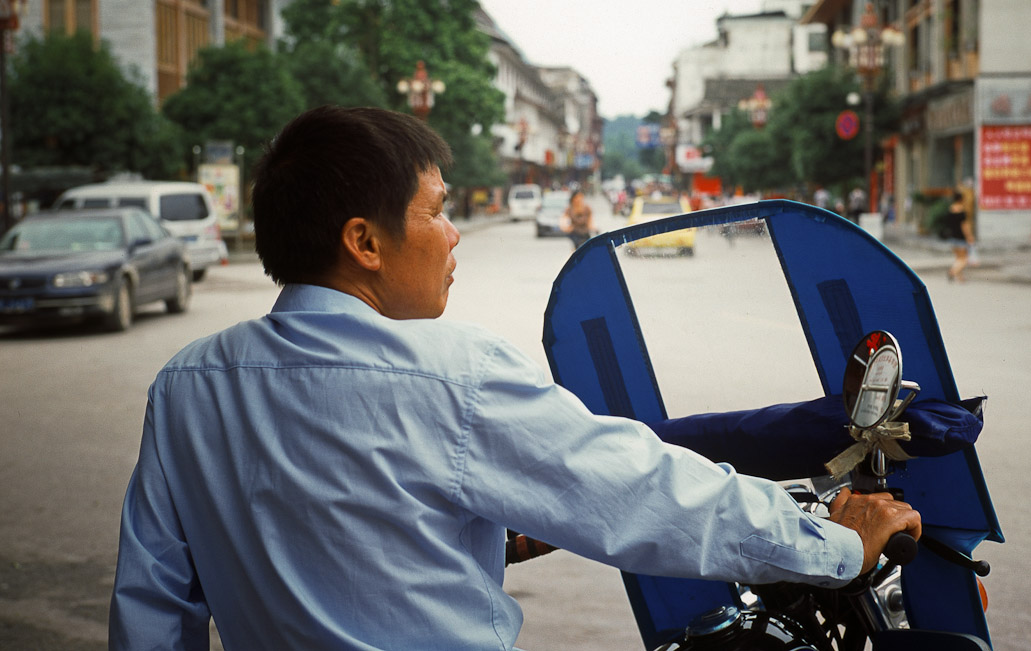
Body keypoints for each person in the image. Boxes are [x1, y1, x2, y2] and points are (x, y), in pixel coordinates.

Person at [108, 106, 920, 650]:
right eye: (435, 210)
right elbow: (644, 493)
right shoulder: (449, 375)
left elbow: (153, 606)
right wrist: (835, 541)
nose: (454, 234)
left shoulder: (188, 386)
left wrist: (471, 537)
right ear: (364, 239)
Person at [943, 192, 975, 282]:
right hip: (961, 238)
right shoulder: (962, 211)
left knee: (958, 258)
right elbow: (964, 226)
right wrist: (969, 236)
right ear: (961, 199)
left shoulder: (950, 210)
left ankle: (960, 278)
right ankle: (952, 272)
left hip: (952, 237)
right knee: (964, 259)